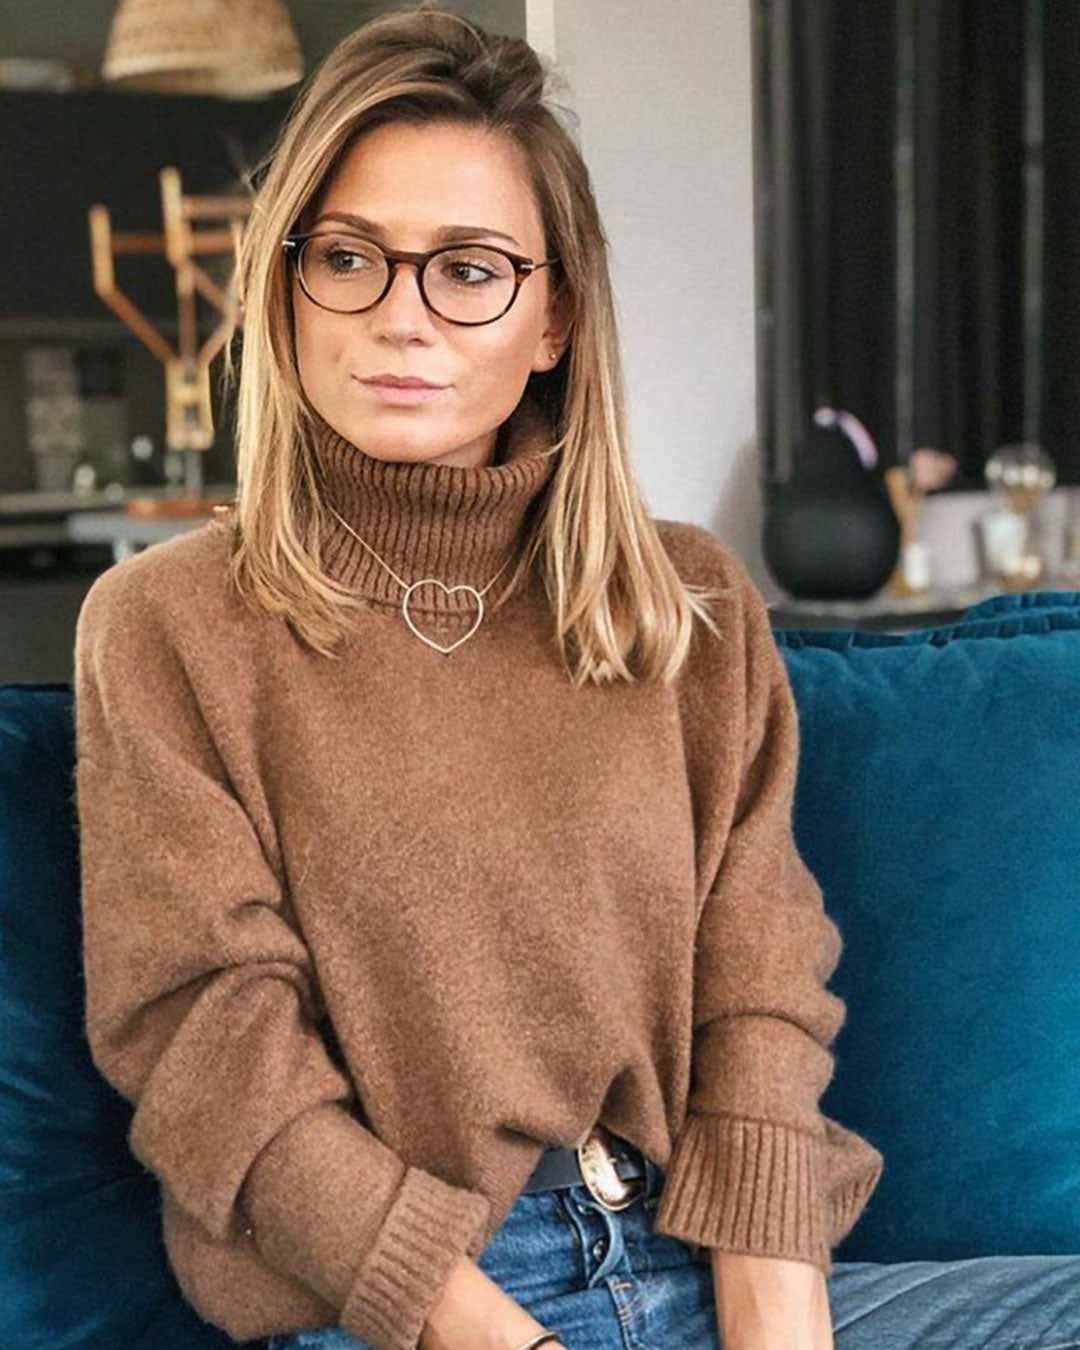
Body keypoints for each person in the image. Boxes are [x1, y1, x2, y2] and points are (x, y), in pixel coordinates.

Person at [74, 6, 1078, 1350]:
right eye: (351, 257)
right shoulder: (169, 623)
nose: (400, 316)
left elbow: (760, 979)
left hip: (694, 1258)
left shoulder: (690, 605)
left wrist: (778, 1306)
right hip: (414, 1311)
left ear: (552, 316)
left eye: (470, 269)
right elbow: (211, 1046)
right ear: (286, 282)